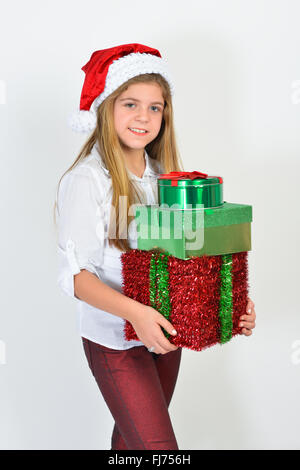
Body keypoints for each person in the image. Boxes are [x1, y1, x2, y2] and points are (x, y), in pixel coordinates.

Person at [54, 43, 256, 451]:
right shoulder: (88, 180)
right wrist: (137, 315)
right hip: (115, 339)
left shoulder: (167, 179)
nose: (143, 117)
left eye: (155, 107)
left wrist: (230, 304)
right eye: (130, 104)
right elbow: (75, 278)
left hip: (165, 335)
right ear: (106, 107)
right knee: (158, 449)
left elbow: (193, 258)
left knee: (132, 444)